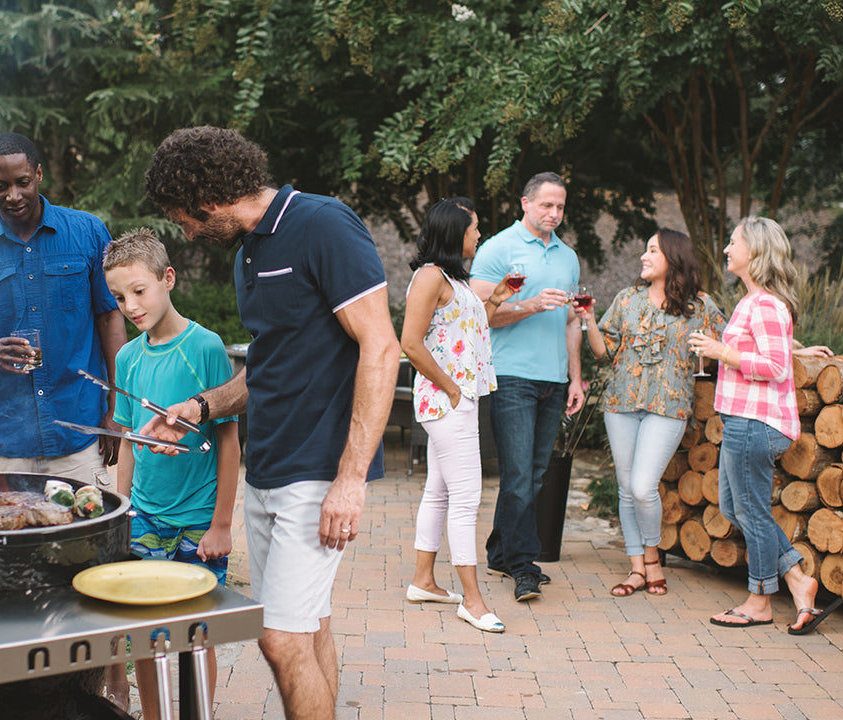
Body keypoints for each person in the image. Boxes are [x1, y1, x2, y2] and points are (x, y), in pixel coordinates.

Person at [141, 126, 401, 720]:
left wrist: (351, 479)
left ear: (208, 199)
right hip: (267, 468)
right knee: (309, 628)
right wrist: (201, 408)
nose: (185, 233)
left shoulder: (323, 223)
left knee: (278, 639)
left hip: (318, 470)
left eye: (183, 219)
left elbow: (381, 348)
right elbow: (268, 368)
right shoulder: (248, 254)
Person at [0, 132, 127, 484]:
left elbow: (110, 318)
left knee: (82, 538)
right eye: (1, 186)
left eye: (22, 182)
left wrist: (117, 409)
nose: (13, 195)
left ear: (38, 174)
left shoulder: (88, 233)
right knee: (7, 535)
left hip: (79, 434)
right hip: (1, 440)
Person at [100, 228, 240, 718]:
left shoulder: (205, 346)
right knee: (147, 635)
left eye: (139, 290)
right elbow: (128, 443)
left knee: (195, 635)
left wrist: (222, 524)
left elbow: (226, 439)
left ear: (169, 278)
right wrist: (123, 512)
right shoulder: (127, 357)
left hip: (199, 518)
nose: (130, 305)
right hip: (145, 517)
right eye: (119, 297)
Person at [690, 217, 840, 634]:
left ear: (754, 251)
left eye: (733, 242)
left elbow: (772, 366)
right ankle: (797, 578)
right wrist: (797, 347)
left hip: (756, 422)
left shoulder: (765, 304)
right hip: (744, 420)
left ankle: (759, 600)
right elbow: (773, 347)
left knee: (752, 512)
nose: (726, 250)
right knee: (735, 508)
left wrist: (721, 351)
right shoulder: (756, 303)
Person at [581, 229, 724, 597]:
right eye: (645, 249)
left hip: (669, 407)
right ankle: (637, 568)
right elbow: (604, 351)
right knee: (627, 489)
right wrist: (588, 319)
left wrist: (795, 348)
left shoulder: (700, 306)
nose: (644, 256)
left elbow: (735, 341)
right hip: (620, 405)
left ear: (673, 258)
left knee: (644, 488)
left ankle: (653, 558)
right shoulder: (627, 299)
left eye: (652, 250)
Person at [400, 197, 516, 633]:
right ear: (454, 233)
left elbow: (467, 334)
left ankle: (424, 581)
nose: (479, 234)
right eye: (474, 228)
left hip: (457, 398)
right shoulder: (430, 276)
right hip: (448, 401)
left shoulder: (453, 279)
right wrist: (450, 387)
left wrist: (497, 300)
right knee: (467, 499)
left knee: (440, 492)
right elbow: (410, 342)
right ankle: (472, 599)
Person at [468, 172, 585, 603]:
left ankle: (500, 551)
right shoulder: (498, 248)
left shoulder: (568, 257)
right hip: (511, 375)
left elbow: (572, 320)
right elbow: (480, 313)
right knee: (518, 476)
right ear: (526, 203)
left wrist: (575, 377)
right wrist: (531, 305)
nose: (554, 214)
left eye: (560, 207)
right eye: (546, 206)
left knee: (533, 476)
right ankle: (524, 566)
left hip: (554, 380)